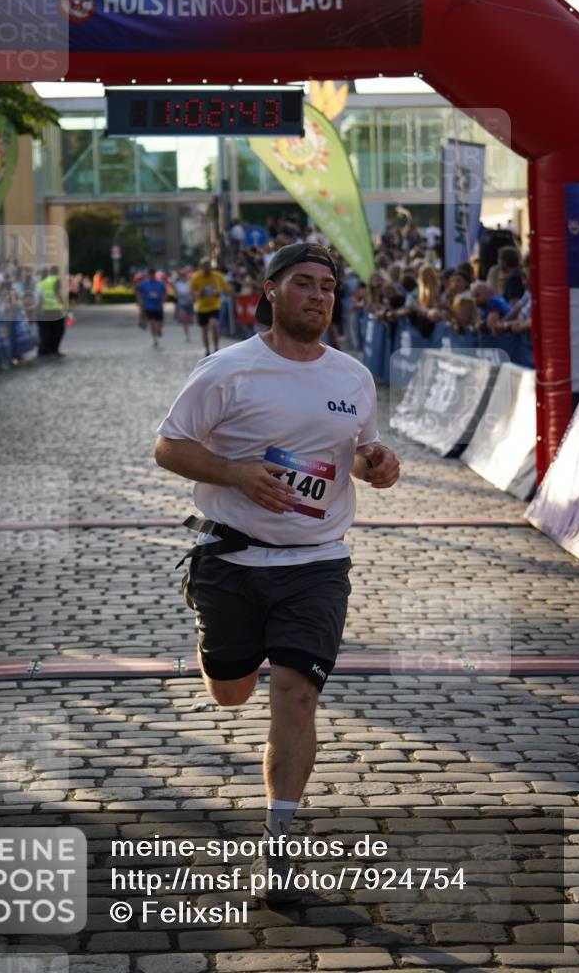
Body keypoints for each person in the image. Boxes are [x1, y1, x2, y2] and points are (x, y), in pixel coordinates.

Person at [155, 243, 400, 903]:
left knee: (294, 696)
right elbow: (168, 446)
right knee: (230, 693)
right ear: (269, 291)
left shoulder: (351, 376)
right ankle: (225, 649)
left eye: (326, 285)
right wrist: (236, 473)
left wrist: (376, 464)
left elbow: (355, 453)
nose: (317, 295)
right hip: (229, 556)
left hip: (317, 561)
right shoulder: (226, 371)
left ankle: (278, 851)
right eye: (302, 284)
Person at [189, 257, 231, 356]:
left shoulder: (217, 276)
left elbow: (226, 288)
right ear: (201, 268)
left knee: (214, 325)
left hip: (214, 306)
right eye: (205, 268)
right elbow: (191, 292)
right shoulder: (196, 277)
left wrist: (219, 292)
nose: (208, 270)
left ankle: (216, 348)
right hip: (201, 307)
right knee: (204, 330)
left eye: (209, 267)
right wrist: (199, 294)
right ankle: (207, 349)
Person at [34, 266, 67, 357]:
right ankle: (53, 349)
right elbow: (58, 293)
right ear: (57, 272)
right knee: (58, 331)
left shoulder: (40, 283)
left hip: (43, 311)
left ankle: (44, 350)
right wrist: (64, 306)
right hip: (55, 310)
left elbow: (37, 297)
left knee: (45, 331)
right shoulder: (56, 280)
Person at [137, 266, 166, 348]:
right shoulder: (143, 284)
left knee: (159, 323)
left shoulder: (160, 284)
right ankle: (155, 339)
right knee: (152, 323)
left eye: (153, 274)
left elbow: (164, 293)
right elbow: (139, 293)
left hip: (158, 306)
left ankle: (159, 330)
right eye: (150, 274)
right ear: (148, 275)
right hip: (149, 306)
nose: (151, 275)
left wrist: (162, 301)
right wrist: (141, 302)